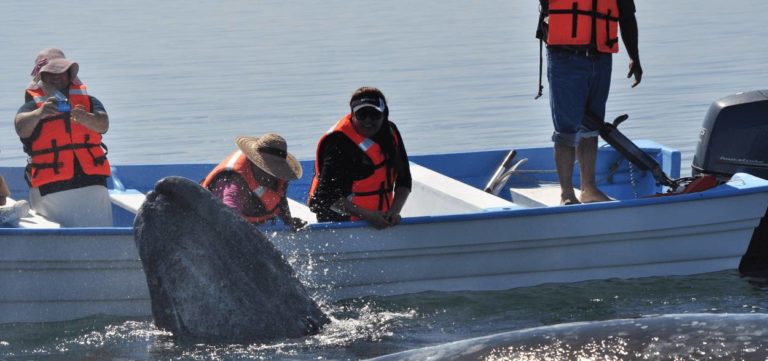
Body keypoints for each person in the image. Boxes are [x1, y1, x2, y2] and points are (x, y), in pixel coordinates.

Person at [536, 0, 643, 204]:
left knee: (591, 127)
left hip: (601, 59)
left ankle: (589, 189)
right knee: (565, 129)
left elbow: (627, 17)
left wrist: (634, 57)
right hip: (565, 57)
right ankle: (567, 194)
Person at [14, 53, 113, 227]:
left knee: (98, 231)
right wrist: (40, 113)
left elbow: (103, 124)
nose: (56, 77)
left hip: (93, 185)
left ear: (70, 75)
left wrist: (85, 118)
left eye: (61, 71)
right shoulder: (32, 107)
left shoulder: (89, 102)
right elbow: (21, 128)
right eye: (50, 73)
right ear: (41, 77)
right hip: (51, 190)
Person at [307, 87, 411, 229]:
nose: (368, 120)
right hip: (340, 221)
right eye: (362, 114)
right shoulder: (338, 142)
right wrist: (368, 216)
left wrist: (394, 212)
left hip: (381, 218)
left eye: (374, 114)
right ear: (353, 115)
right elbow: (326, 196)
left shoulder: (391, 133)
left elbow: (404, 179)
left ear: (384, 114)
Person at [201, 134, 307, 231]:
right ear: (254, 162)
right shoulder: (234, 181)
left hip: (253, 221)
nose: (271, 175)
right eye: (268, 168)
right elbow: (228, 219)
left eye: (275, 169)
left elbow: (280, 200)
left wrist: (289, 221)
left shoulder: (277, 177)